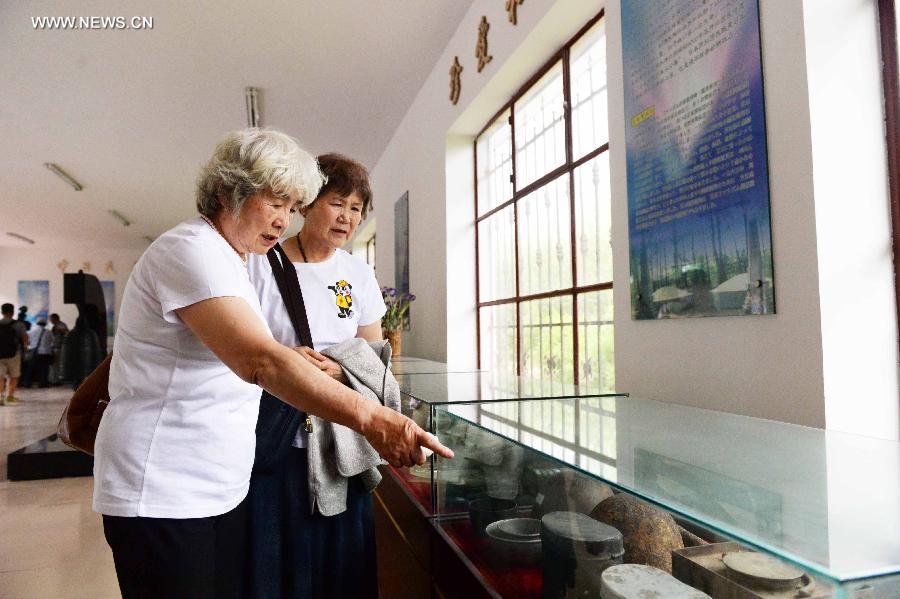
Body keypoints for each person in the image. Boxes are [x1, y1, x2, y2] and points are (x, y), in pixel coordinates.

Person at [92, 129, 451, 599]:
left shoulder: (236, 257)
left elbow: (288, 352)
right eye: (275, 202)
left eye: (290, 205)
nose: (283, 220)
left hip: (219, 484)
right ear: (229, 191)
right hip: (164, 489)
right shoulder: (191, 250)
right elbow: (260, 361)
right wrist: (374, 418)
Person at [246, 153, 386, 598]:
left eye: (357, 208)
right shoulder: (260, 264)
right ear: (306, 205)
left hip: (339, 443)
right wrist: (290, 363)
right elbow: (243, 348)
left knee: (342, 566)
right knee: (277, 560)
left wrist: (341, 370)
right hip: (278, 439)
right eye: (337, 202)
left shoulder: (358, 274)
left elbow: (373, 357)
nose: (347, 217)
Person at [0, 303, 28, 406]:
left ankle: (0, 397)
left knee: (0, 376)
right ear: (12, 312)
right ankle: (10, 397)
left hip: (0, 355)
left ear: (2, 312)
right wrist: (25, 348)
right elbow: (25, 338)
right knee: (14, 376)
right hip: (14, 354)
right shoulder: (19, 324)